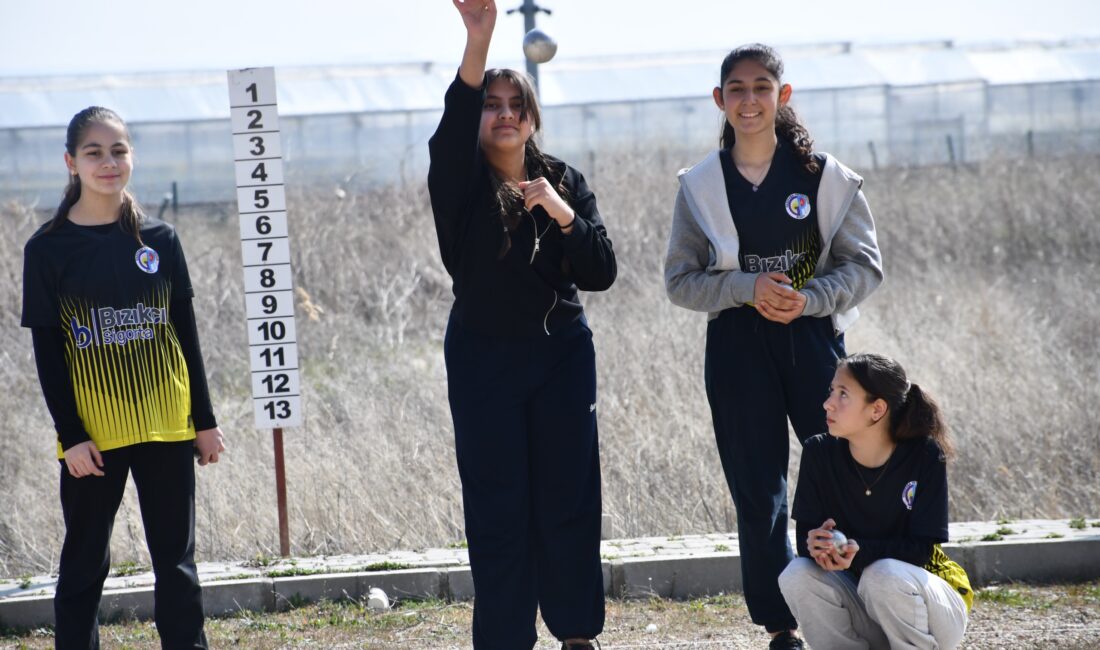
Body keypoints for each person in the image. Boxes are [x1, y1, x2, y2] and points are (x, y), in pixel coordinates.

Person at [664, 43, 884, 648]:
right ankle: (781, 623)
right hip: (737, 347)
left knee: (839, 473)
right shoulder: (701, 185)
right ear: (720, 100)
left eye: (762, 87)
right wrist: (745, 287)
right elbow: (679, 281)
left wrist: (810, 299)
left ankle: (860, 598)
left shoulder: (826, 178)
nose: (749, 99)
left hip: (813, 341)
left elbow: (865, 265)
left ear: (782, 95)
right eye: (736, 89)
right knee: (758, 490)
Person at [427, 2, 617, 648]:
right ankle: (506, 638)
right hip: (483, 359)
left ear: (533, 118)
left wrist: (564, 215)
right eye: (492, 105)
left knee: (568, 497)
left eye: (517, 105)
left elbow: (601, 272)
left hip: (562, 357)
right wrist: (479, 39)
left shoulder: (563, 179)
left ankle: (577, 632)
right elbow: (453, 125)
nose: (504, 114)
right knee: (498, 506)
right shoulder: (458, 182)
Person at [21, 106, 225, 649]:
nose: (108, 162)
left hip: (167, 425)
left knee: (176, 564)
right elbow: (48, 354)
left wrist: (204, 422)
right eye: (94, 152)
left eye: (118, 150)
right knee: (84, 563)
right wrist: (71, 436)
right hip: (94, 437)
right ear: (71, 162)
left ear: (131, 156)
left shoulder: (160, 239)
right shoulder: (47, 249)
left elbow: (184, 335)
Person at [779, 353, 971, 649]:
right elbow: (806, 539)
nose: (828, 403)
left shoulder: (925, 454)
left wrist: (858, 551)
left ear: (877, 409)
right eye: (832, 391)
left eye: (843, 394)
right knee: (797, 574)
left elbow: (920, 550)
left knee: (880, 574)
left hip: (928, 612)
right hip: (865, 610)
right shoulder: (818, 452)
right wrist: (817, 544)